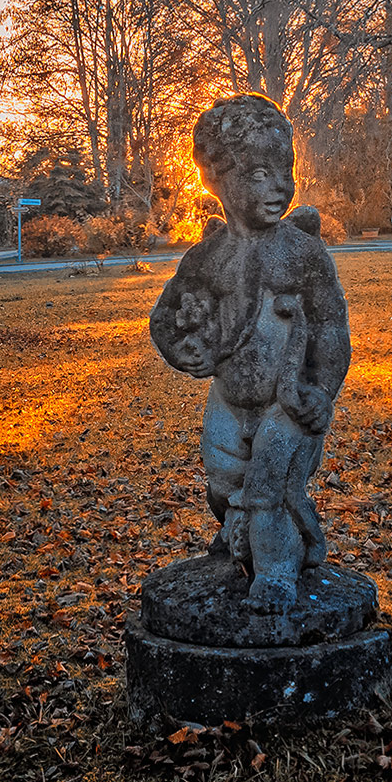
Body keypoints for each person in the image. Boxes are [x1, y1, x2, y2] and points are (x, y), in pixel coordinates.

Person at [150, 94, 351, 613]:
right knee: (224, 484)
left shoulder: (302, 252)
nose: (279, 186)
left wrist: (321, 392)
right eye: (260, 173)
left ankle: (277, 573)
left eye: (284, 171)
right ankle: (253, 530)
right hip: (228, 401)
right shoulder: (209, 256)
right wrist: (184, 352)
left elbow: (331, 327)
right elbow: (165, 316)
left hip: (288, 403)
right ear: (217, 180)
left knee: (267, 487)